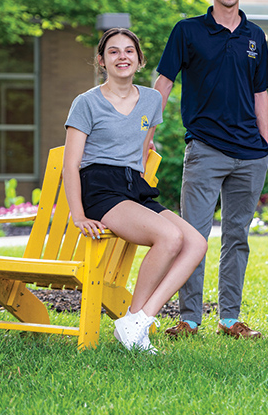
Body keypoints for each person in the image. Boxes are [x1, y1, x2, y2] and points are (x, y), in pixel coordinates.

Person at [62, 28, 208, 353]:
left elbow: (143, 146)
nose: (122, 56)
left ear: (140, 59)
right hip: (100, 188)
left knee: (196, 243)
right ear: (101, 60)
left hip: (134, 187)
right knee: (170, 237)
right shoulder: (86, 103)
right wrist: (78, 214)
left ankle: (138, 320)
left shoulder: (152, 99)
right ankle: (135, 322)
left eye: (129, 51)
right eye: (113, 51)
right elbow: (70, 164)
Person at [154, 0, 268, 340]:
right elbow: (164, 83)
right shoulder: (187, 31)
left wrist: (265, 142)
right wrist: (146, 131)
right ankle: (189, 319)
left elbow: (261, 93)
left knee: (237, 237)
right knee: (194, 237)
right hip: (205, 148)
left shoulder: (255, 36)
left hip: (250, 154)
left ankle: (229, 319)